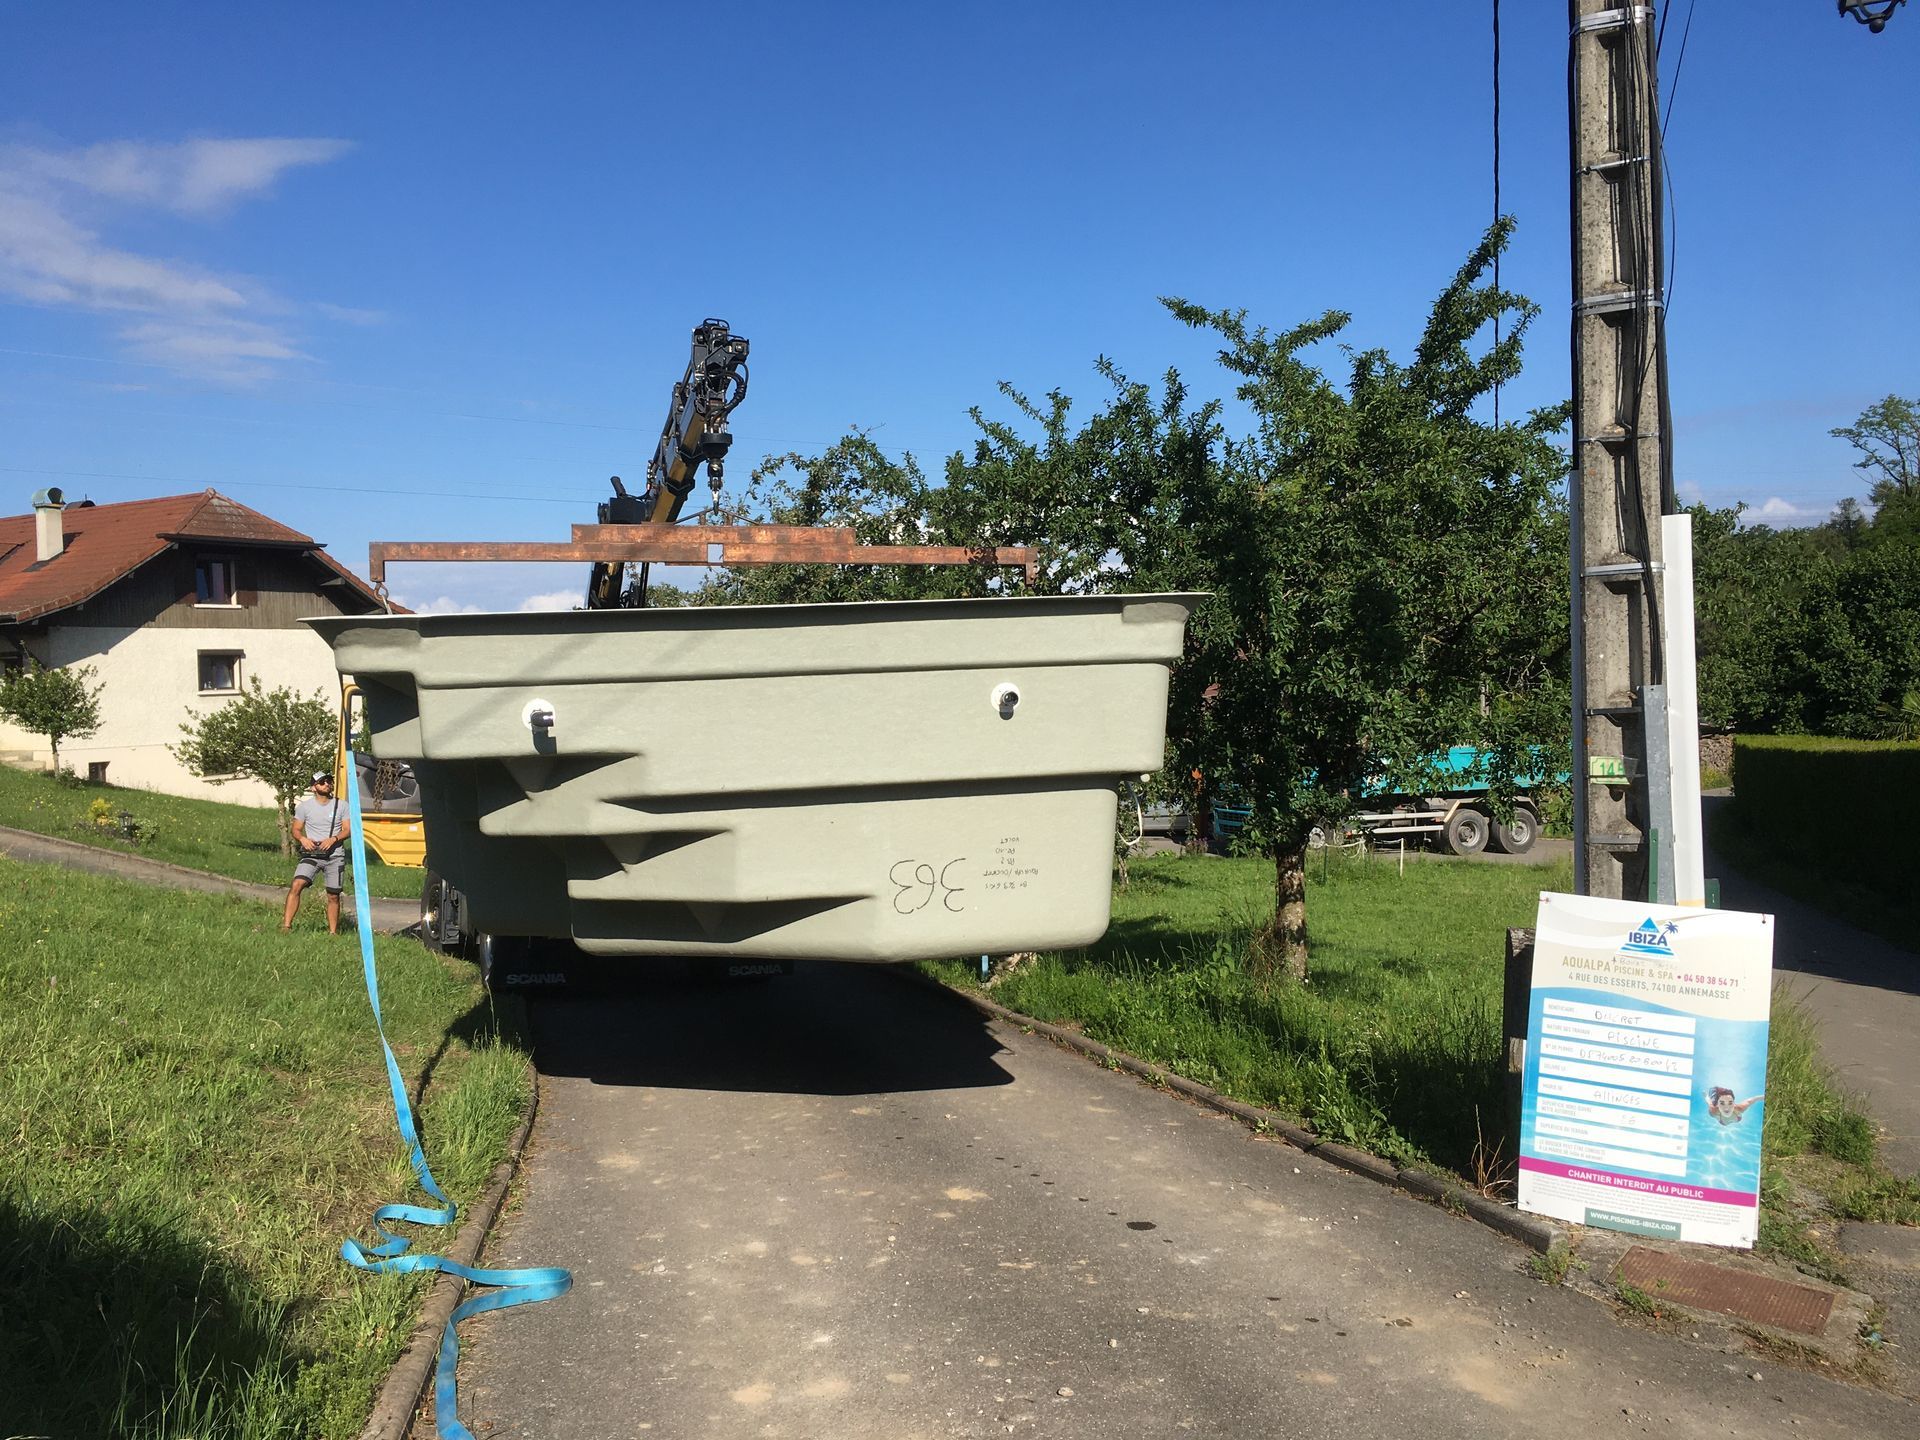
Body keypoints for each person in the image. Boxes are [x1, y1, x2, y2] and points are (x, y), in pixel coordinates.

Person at [283, 770, 351, 934]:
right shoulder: (304, 807)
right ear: (314, 787)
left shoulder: (341, 805)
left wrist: (333, 839)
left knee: (333, 895)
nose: (327, 784)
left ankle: (333, 932)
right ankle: (286, 926)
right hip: (312, 854)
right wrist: (303, 840)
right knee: (297, 884)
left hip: (334, 855)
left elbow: (348, 830)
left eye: (329, 781)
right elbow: (296, 829)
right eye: (322, 782)